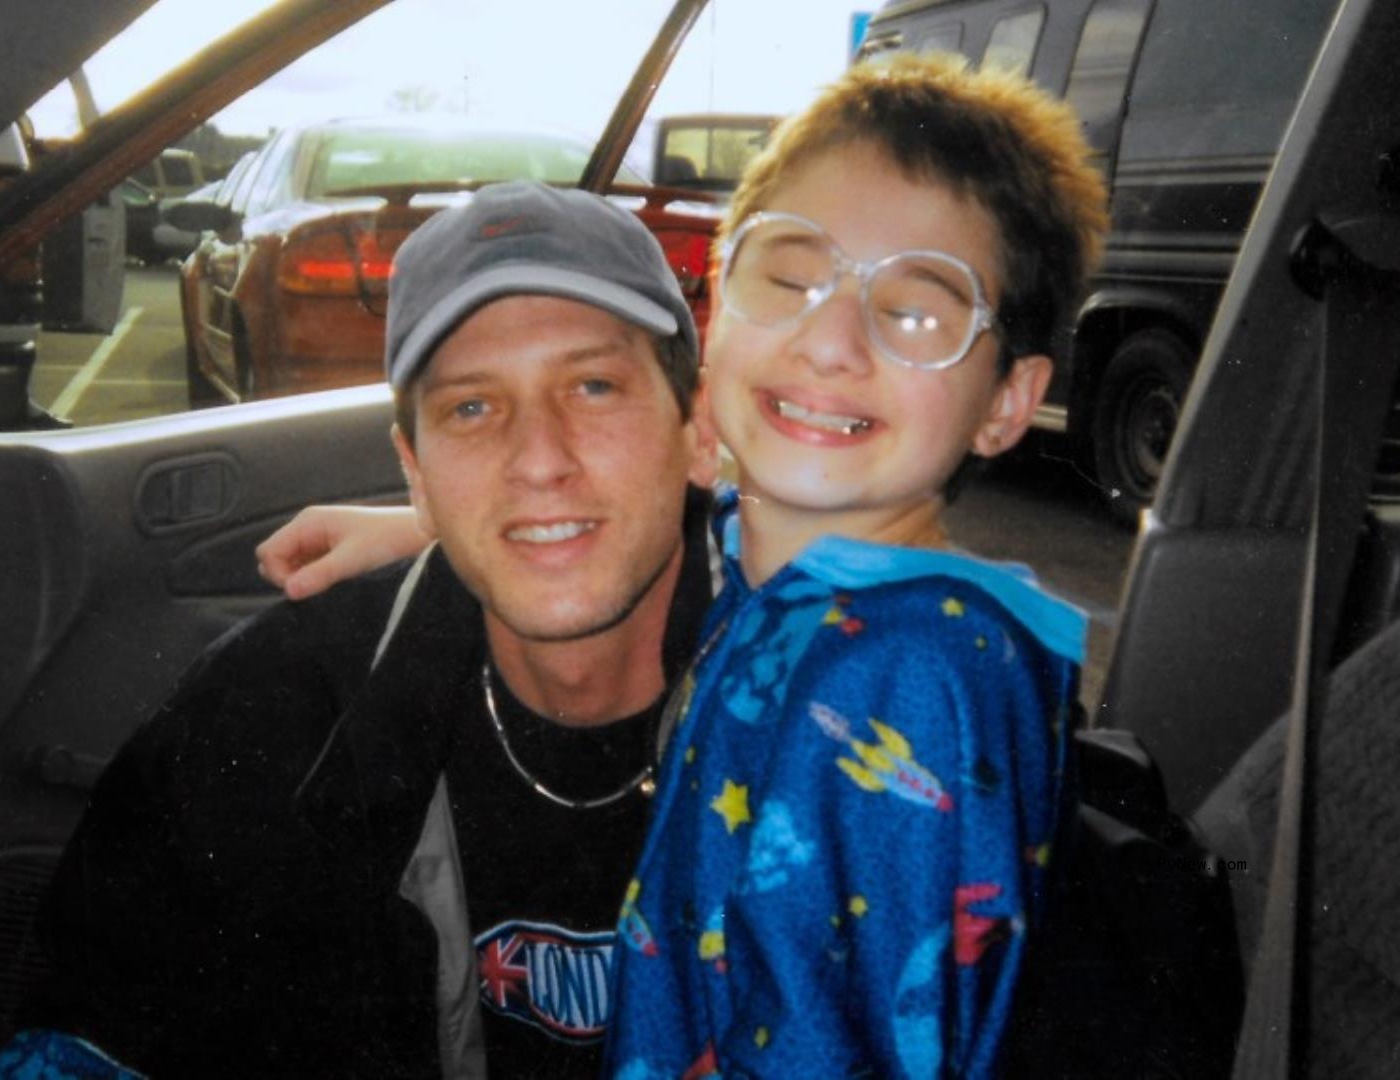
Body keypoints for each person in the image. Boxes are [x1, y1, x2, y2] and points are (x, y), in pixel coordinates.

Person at [260, 53, 1110, 1078]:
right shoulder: (812, 579)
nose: (832, 339)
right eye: (791, 277)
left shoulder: (897, 680)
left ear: (1011, 401)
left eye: (918, 311)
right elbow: (702, 522)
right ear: (719, 318)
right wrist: (435, 525)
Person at [0, 179, 719, 1078]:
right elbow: (90, 1043)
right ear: (413, 469)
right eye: (472, 408)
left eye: (596, 385)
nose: (539, 459)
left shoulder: (840, 716)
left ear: (700, 428)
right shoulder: (278, 716)